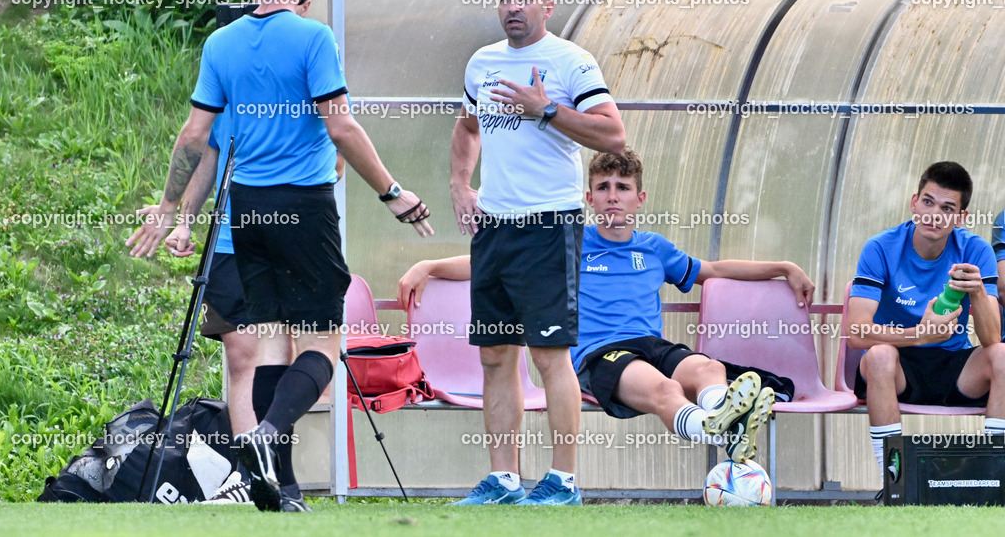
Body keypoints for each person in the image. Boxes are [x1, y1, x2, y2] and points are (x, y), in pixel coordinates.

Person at [129, 0, 432, 512]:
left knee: (271, 346)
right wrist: (392, 191)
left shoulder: (221, 44)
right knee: (321, 339)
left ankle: (281, 490)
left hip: (246, 209)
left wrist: (170, 208)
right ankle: (266, 437)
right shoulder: (314, 38)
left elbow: (196, 136)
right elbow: (340, 124)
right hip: (304, 204)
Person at [402, 148, 813, 476]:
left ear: (640, 197)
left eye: (622, 187)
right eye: (603, 187)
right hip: (600, 353)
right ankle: (716, 426)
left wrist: (783, 268)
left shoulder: (655, 248)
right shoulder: (569, 241)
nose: (612, 195)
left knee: (708, 369)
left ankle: (722, 418)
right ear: (589, 198)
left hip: (652, 345)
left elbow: (715, 270)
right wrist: (430, 266)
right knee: (666, 390)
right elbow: (496, 264)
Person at [449, 0, 626, 505]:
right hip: (494, 228)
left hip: (549, 226)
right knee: (496, 355)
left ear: (546, 6)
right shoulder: (482, 63)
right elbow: (467, 126)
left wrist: (545, 109)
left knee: (550, 355)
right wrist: (460, 184)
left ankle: (562, 482)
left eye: (523, 0)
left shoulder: (571, 61)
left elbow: (613, 134)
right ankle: (503, 481)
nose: (512, 9)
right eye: (504, 0)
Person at [845, 161, 1005, 478]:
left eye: (947, 208)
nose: (934, 215)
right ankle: (894, 481)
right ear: (914, 202)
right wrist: (919, 335)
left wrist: (977, 294)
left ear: (961, 218)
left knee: (1003, 355)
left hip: (953, 369)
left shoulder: (976, 250)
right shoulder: (880, 247)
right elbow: (856, 333)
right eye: (928, 202)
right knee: (878, 356)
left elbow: (991, 340)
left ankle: (995, 477)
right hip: (898, 367)